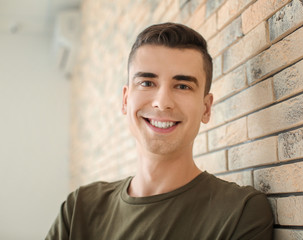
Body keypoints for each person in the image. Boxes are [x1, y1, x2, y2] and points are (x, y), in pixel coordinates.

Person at [46, 22, 274, 240]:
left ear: (206, 108)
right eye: (147, 83)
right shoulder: (78, 210)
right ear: (125, 100)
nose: (162, 102)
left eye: (182, 86)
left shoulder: (239, 212)